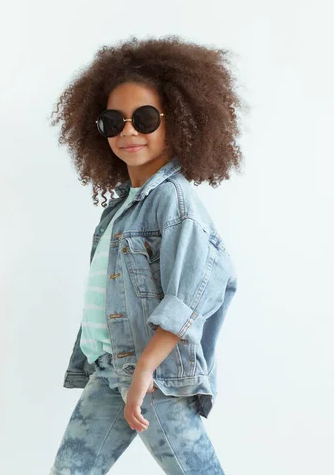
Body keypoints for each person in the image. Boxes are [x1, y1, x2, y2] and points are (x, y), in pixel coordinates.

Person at [48, 35, 247, 474]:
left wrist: (144, 371)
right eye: (112, 122)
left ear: (177, 121)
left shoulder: (175, 203)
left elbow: (192, 297)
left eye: (144, 118)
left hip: (153, 377)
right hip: (110, 369)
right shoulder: (123, 206)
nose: (129, 131)